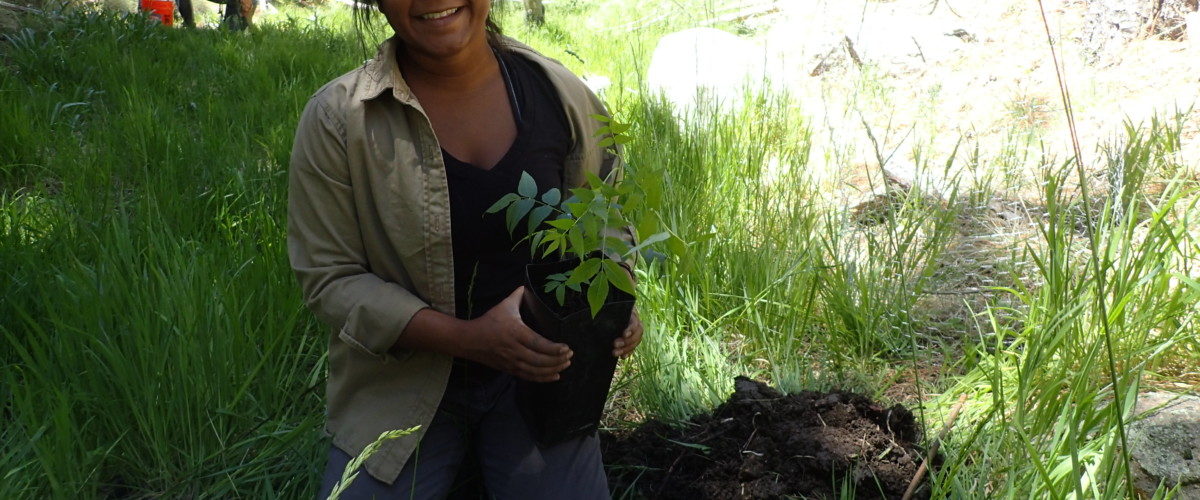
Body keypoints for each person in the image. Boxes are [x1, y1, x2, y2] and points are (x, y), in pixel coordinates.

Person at [286, 0, 643, 498]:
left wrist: (611, 299)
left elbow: (603, 218)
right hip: (402, 381)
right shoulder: (340, 119)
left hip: (544, 372)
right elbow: (330, 279)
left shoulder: (561, 95)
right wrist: (468, 339)